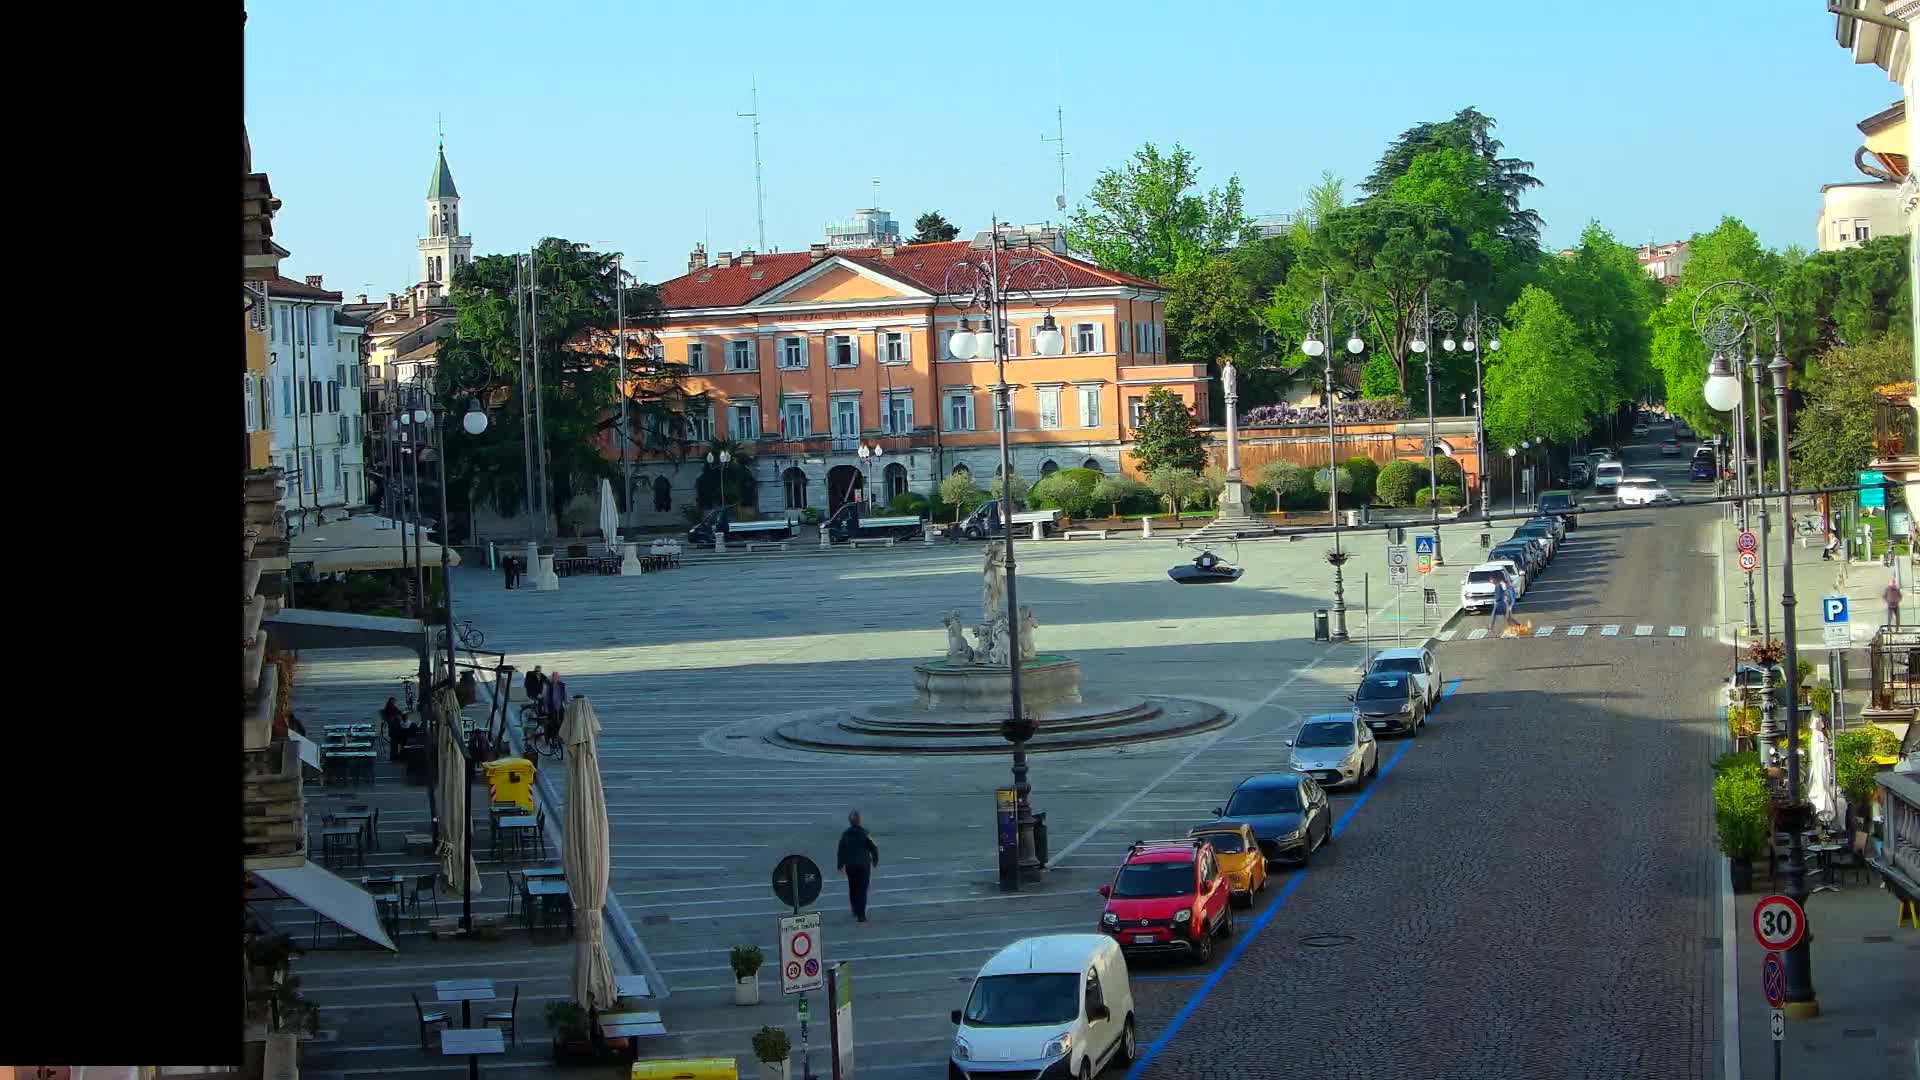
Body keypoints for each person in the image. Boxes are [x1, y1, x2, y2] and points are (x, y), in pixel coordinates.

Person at [836, 810, 880, 923]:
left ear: (849, 822)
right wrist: (875, 860)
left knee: (853, 887)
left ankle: (855, 910)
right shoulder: (865, 833)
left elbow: (841, 850)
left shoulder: (845, 834)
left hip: (850, 866)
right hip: (863, 865)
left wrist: (840, 865)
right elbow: (874, 847)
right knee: (862, 889)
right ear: (859, 820)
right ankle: (861, 915)